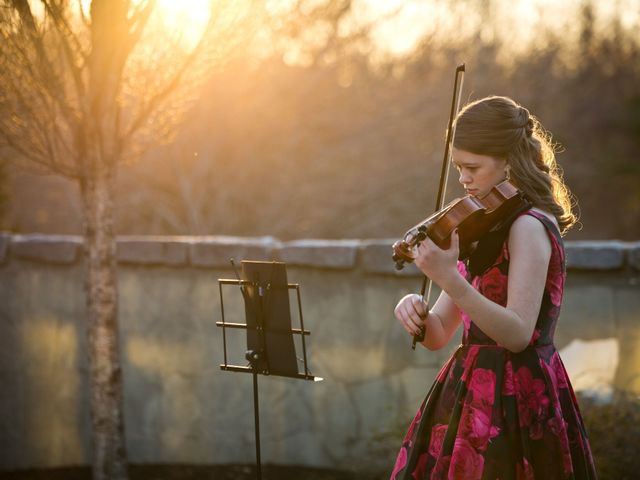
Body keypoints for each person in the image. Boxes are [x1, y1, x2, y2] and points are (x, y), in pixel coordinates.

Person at [390, 96, 597, 479]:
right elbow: (438, 334)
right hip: (470, 390)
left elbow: (518, 334)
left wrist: (449, 277)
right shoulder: (483, 230)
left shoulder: (528, 226)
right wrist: (412, 306)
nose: (464, 179)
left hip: (520, 393)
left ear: (508, 160)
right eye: (458, 168)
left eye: (473, 168)